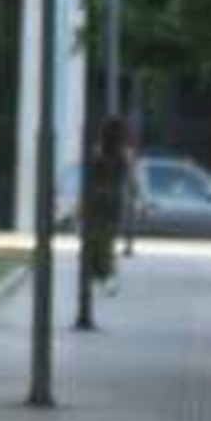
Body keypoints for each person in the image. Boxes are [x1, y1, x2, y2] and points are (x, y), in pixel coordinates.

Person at [85, 116, 133, 297]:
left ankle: (100, 277)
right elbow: (128, 180)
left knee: (95, 241)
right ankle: (106, 278)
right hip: (113, 202)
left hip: (96, 200)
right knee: (106, 242)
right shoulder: (125, 154)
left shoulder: (97, 151)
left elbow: (90, 179)